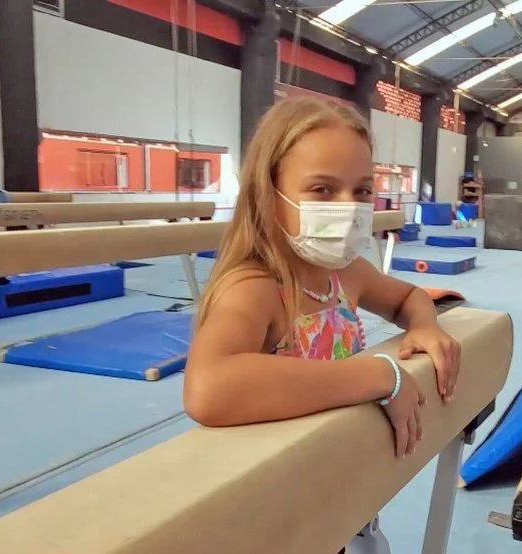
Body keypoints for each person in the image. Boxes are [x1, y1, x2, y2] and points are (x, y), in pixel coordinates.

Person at [183, 96, 461, 462]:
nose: (348, 206)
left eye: (361, 190)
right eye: (323, 189)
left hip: (342, 476)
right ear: (269, 196)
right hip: (281, 488)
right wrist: (379, 375)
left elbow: (407, 297)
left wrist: (424, 325)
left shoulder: (345, 274)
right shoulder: (256, 289)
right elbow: (207, 388)